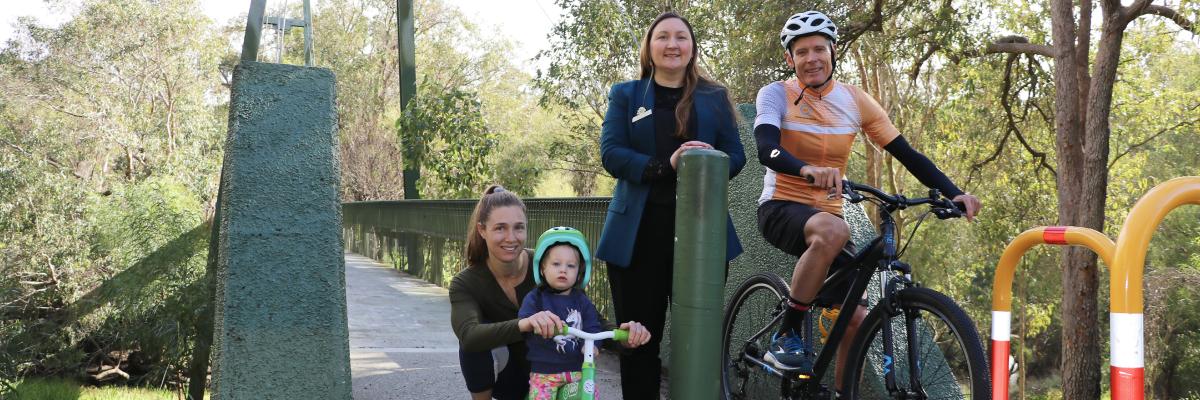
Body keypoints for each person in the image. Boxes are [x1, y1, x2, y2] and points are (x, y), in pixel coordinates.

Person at [751, 10, 983, 394]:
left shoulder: (855, 100)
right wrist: (807, 169)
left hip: (828, 219)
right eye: (802, 52)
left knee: (855, 318)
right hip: (780, 206)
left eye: (819, 50)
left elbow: (908, 154)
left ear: (833, 52)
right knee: (834, 229)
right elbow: (765, 149)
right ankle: (786, 333)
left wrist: (953, 191)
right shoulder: (776, 93)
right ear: (791, 59)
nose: (812, 58)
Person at [596, 11, 746, 399]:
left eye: (681, 37)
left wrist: (706, 159)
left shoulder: (714, 97)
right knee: (639, 339)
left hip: (702, 235)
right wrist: (667, 165)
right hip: (638, 236)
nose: (672, 44)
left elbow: (737, 155)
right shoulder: (626, 94)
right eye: (662, 36)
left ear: (692, 47)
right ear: (649, 46)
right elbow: (612, 154)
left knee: (698, 339)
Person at [450, 186, 650, 400]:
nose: (511, 238)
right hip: (514, 377)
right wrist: (526, 323)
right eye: (500, 228)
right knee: (473, 345)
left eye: (519, 228)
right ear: (482, 230)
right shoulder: (466, 282)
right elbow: (469, 335)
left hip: (563, 370)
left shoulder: (552, 265)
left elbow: (589, 318)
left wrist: (623, 336)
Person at [519, 227, 646, 399]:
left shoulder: (581, 300)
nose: (563, 270)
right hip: (545, 373)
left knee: (589, 393)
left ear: (579, 272)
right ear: (542, 268)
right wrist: (533, 323)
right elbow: (523, 322)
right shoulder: (535, 298)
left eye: (571, 266)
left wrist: (592, 345)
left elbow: (593, 325)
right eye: (556, 264)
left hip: (577, 370)